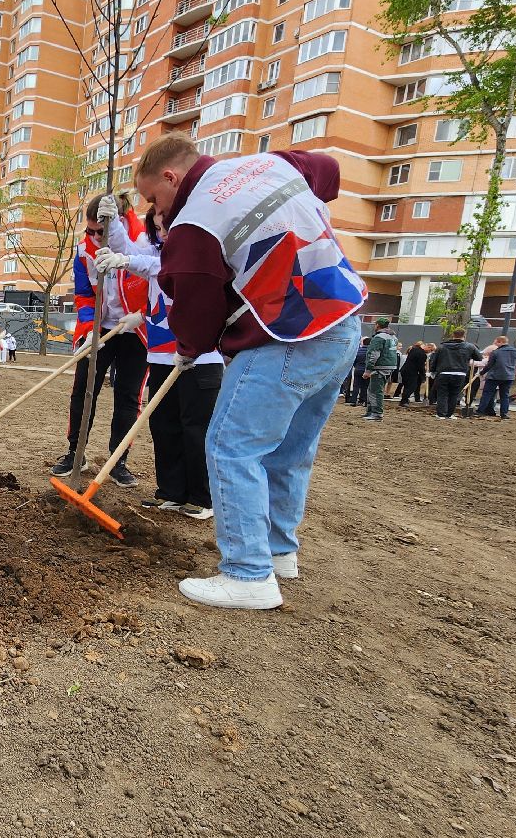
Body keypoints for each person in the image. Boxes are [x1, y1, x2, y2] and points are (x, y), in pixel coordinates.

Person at [140, 134, 366, 610]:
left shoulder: (194, 223)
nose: (156, 212)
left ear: (171, 177)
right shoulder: (271, 164)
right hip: (344, 322)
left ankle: (248, 575)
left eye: (153, 199)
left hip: (287, 336)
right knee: (289, 450)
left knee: (231, 446)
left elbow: (197, 311)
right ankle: (280, 554)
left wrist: (190, 346)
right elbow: (326, 168)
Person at [51, 193, 154, 487]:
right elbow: (84, 294)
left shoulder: (144, 243)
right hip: (100, 329)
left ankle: (117, 461)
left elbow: (160, 285)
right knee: (83, 389)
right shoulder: (84, 251)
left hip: (135, 330)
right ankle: (75, 452)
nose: (94, 236)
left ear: (118, 224)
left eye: (101, 231)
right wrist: (89, 328)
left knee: (128, 395)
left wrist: (143, 315)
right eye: (90, 230)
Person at [139, 208, 222, 520]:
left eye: (167, 228)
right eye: (159, 230)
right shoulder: (158, 257)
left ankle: (202, 498)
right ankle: (171, 492)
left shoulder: (199, 256)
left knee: (195, 428)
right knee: (163, 424)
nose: (163, 236)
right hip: (161, 356)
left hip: (201, 360)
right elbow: (137, 254)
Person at [429, 328, 482, 419]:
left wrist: (432, 371)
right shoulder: (469, 347)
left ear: (453, 335)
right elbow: (479, 357)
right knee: (454, 394)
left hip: (444, 372)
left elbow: (435, 360)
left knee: (442, 393)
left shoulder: (442, 347)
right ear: (464, 336)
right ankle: (450, 414)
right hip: (460, 373)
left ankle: (441, 414)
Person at [361, 317, 400, 422]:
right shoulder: (393, 337)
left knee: (375, 391)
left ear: (378, 325)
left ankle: (376, 413)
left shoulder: (379, 337)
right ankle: (370, 411)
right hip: (389, 366)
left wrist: (368, 370)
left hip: (379, 367)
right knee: (373, 390)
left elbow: (374, 354)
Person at [476, 335, 516, 419]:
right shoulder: (515, 351)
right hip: (508, 376)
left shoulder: (496, 352)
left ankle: (480, 411)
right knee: (504, 395)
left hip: (494, 376)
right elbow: (515, 363)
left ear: (500, 342)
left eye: (495, 342)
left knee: (487, 394)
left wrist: (482, 372)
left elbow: (489, 365)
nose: (495, 345)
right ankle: (504, 413)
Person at [397, 340, 429, 406]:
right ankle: (404, 401)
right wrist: (423, 376)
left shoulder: (413, 350)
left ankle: (404, 399)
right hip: (412, 372)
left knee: (407, 386)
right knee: (412, 387)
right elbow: (421, 366)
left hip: (405, 370)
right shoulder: (422, 354)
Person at [345, 337, 370, 406]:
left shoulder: (358, 350)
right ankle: (363, 400)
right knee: (365, 386)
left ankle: (353, 400)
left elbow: (354, 361)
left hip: (358, 370)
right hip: (367, 370)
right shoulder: (371, 351)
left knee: (356, 385)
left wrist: (356, 366)